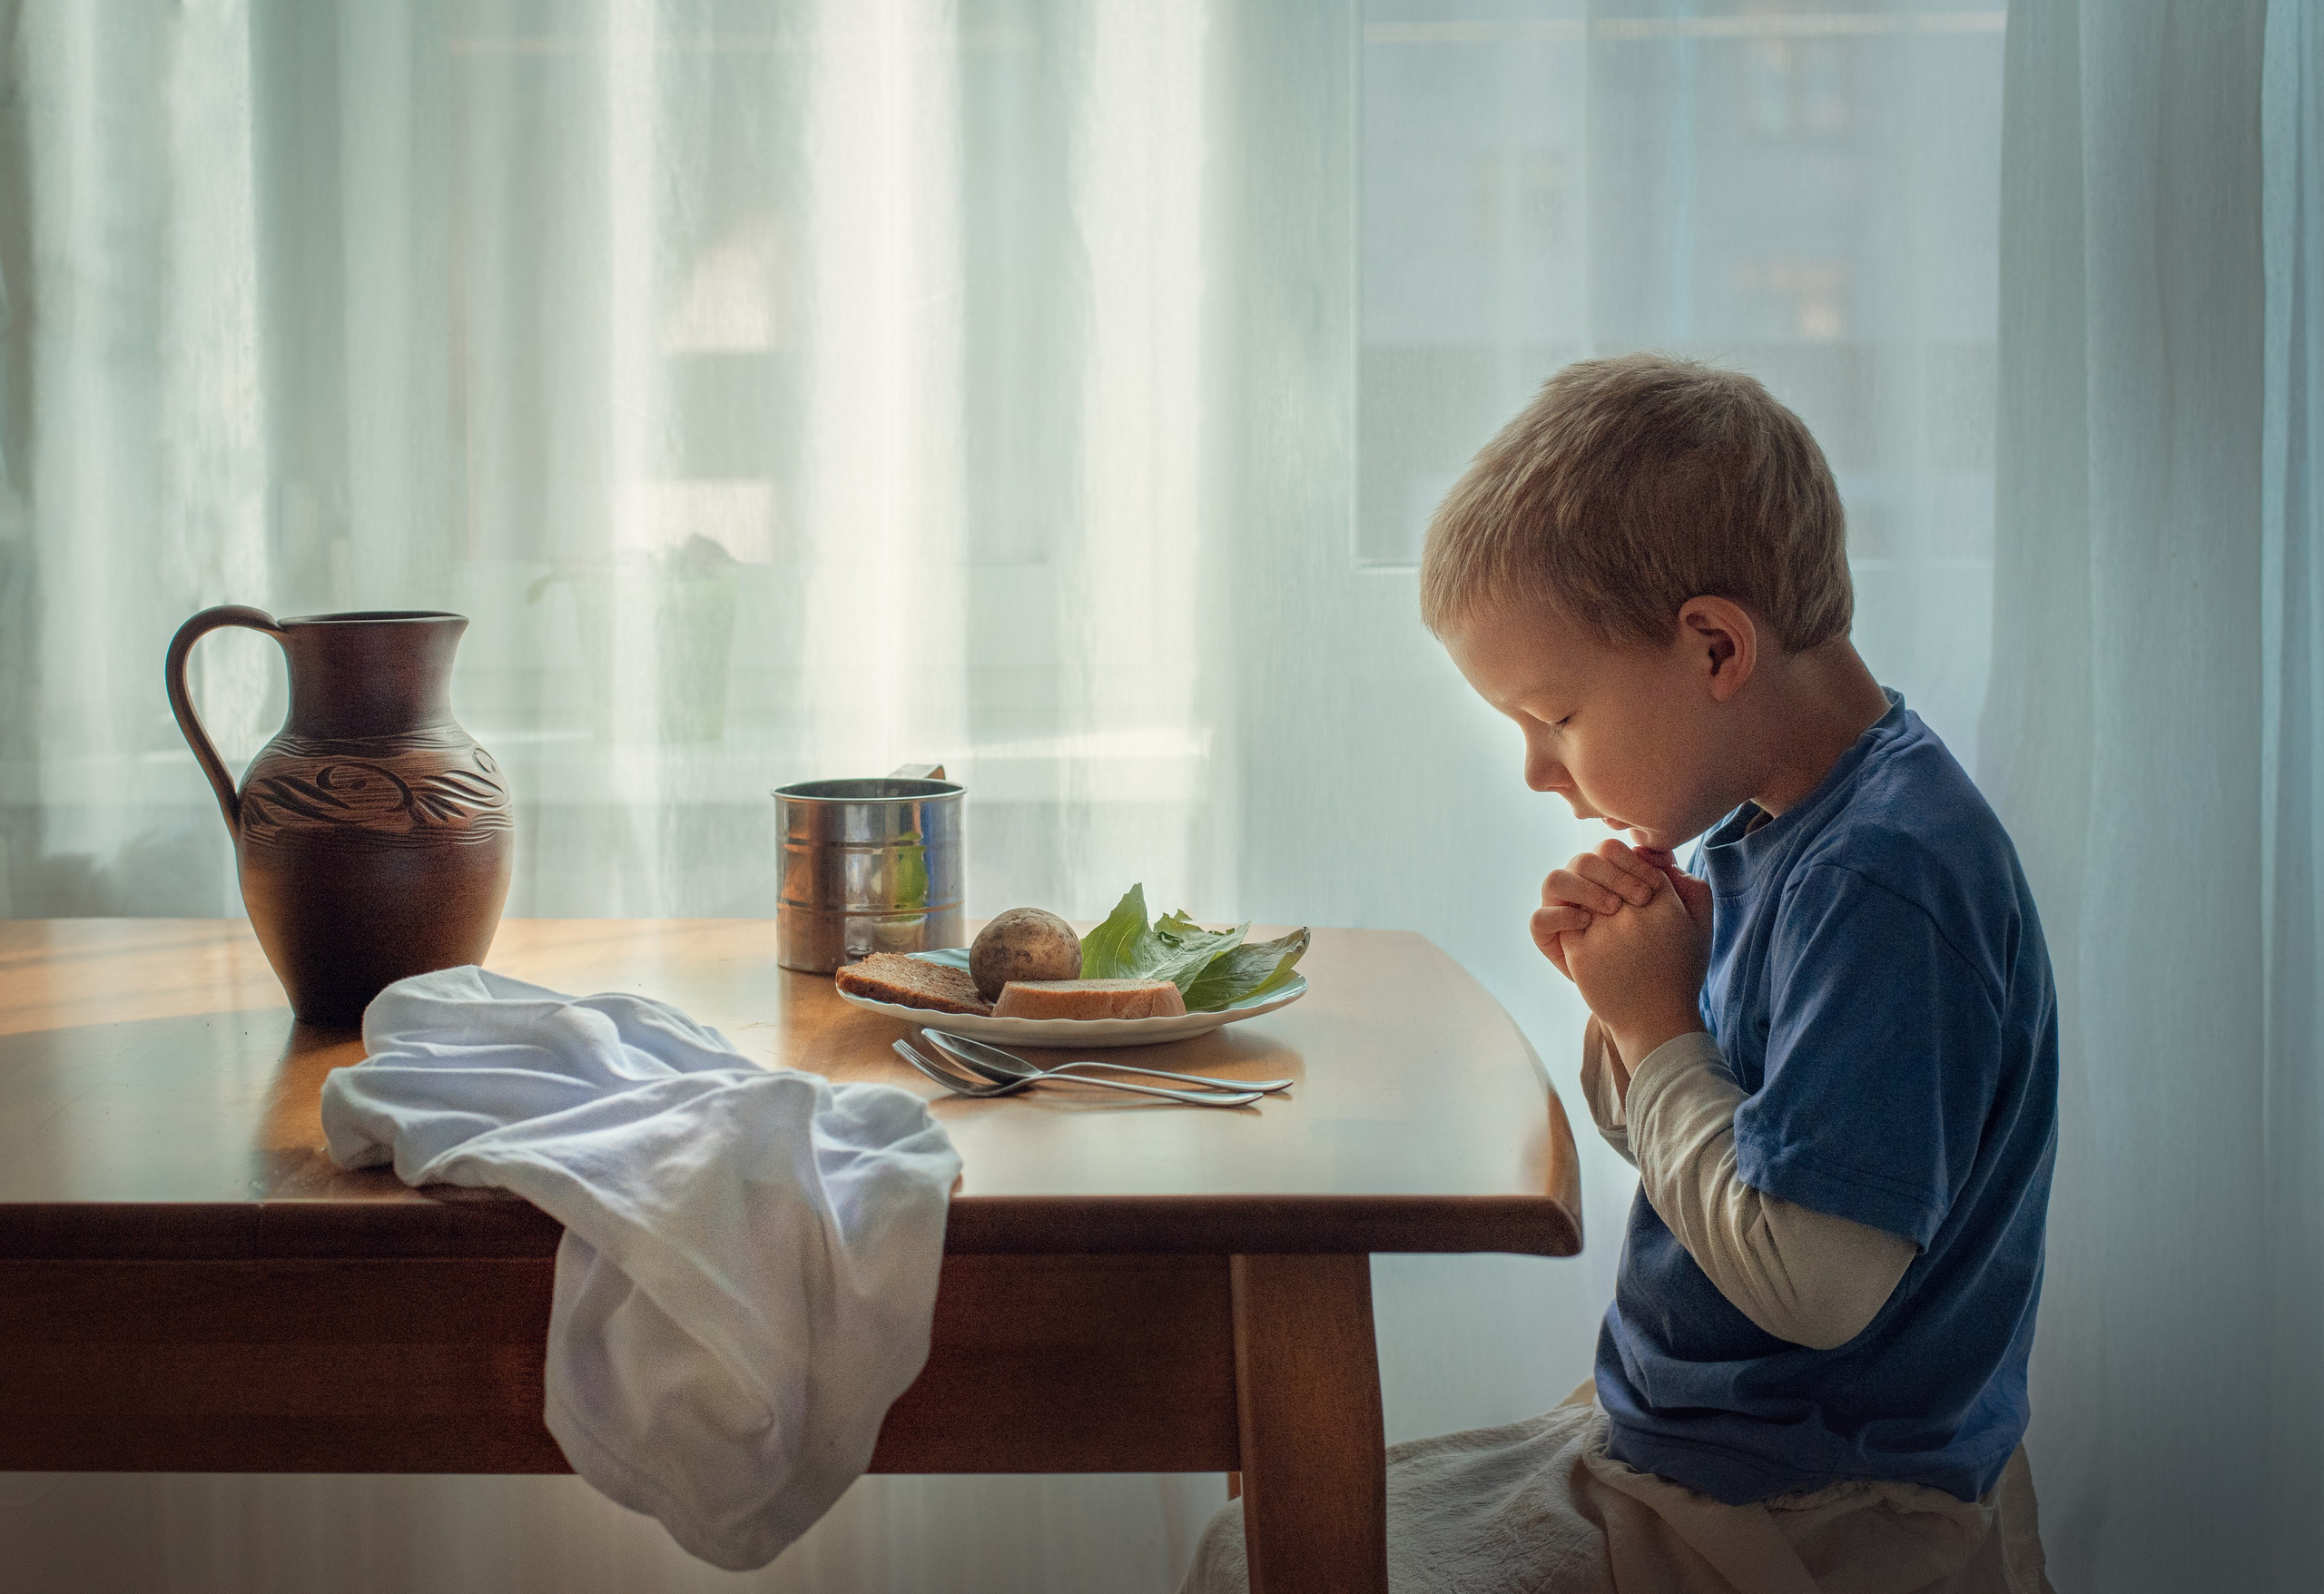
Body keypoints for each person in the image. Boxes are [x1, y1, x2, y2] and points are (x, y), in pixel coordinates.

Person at [1181, 354, 2056, 1593]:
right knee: (1254, 1545)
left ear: (1713, 647)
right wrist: (1629, 1011)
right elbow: (1700, 1147)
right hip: (1709, 1447)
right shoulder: (1783, 827)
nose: (1539, 770)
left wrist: (1655, 1031)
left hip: (1817, 1501)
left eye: (1557, 717)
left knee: (1259, 1561)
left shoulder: (1883, 879)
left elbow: (1813, 1281)